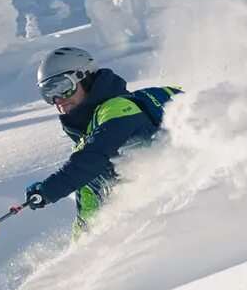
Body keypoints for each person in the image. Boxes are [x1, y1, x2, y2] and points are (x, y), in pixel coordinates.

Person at [20, 45, 180, 232]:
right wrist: (80, 251)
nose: (57, 99)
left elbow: (92, 159)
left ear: (85, 78)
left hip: (175, 203)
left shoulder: (117, 109)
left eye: (63, 87)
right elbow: (88, 210)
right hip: (147, 220)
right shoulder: (86, 139)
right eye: (48, 93)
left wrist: (49, 190)